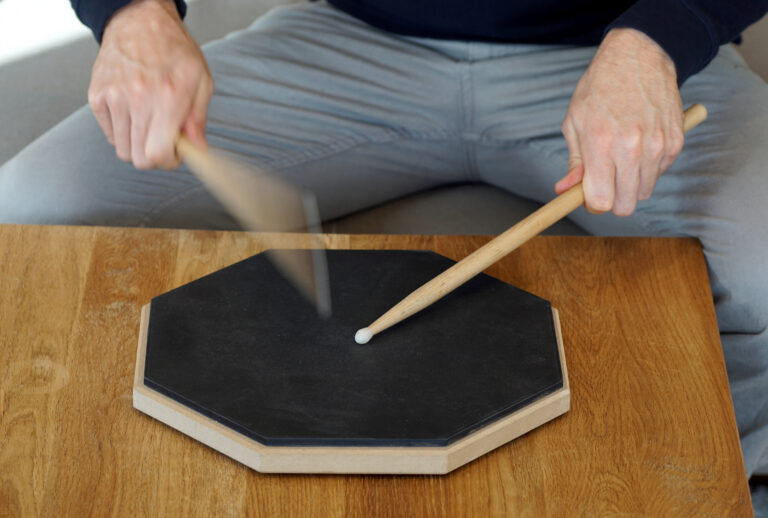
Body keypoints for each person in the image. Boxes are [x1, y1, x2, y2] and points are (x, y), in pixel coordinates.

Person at [1, 0, 767, 504]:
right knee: (38, 209)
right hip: (354, 44)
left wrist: (661, 37)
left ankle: (741, 483)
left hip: (620, 52)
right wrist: (132, 13)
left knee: (759, 266)